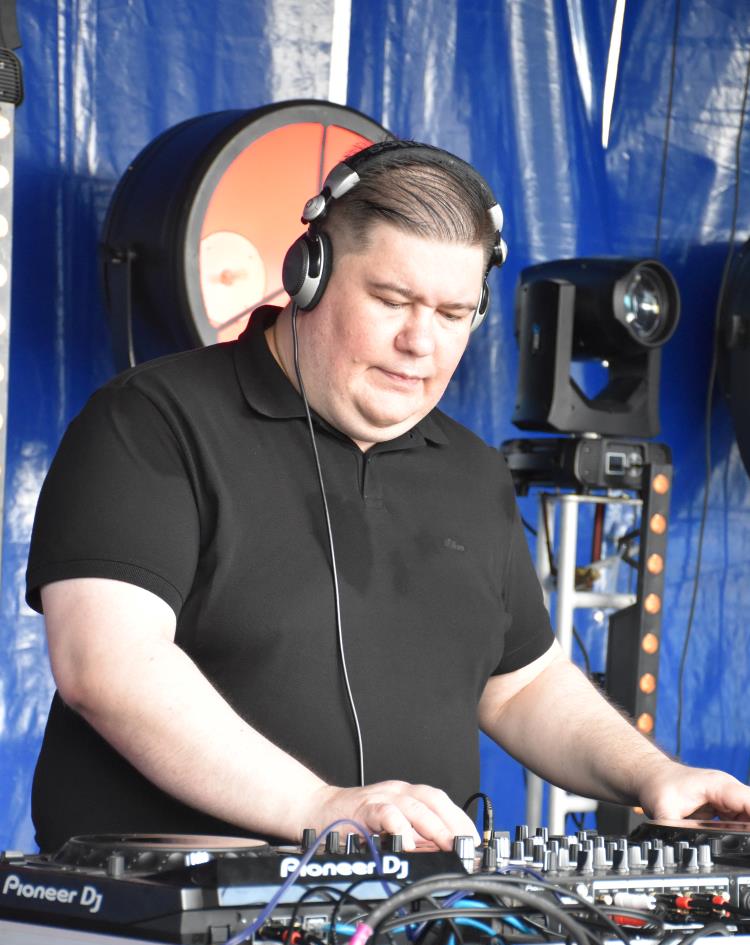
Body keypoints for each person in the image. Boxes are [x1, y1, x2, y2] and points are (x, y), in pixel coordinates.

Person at [25, 140, 750, 855]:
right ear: (308, 276)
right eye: (392, 300)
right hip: (178, 913)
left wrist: (653, 775)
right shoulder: (152, 421)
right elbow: (107, 664)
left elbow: (522, 686)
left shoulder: (471, 471)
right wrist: (319, 809)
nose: (420, 342)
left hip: (419, 916)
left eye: (452, 313)